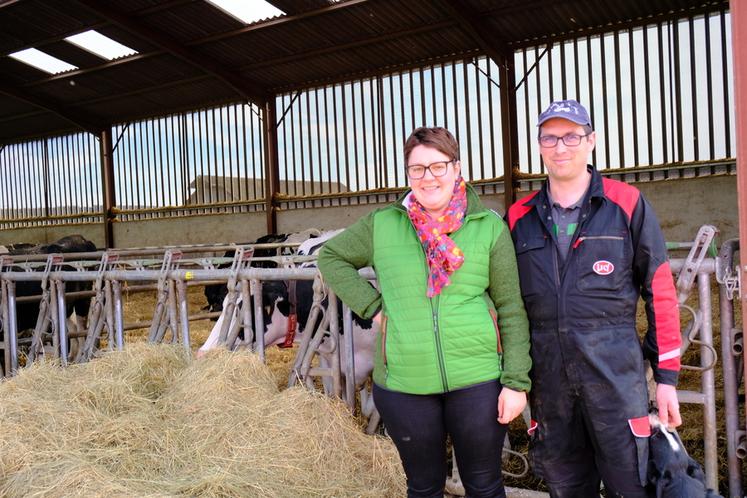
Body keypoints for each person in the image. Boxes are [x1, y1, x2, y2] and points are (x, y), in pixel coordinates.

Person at [318, 126, 532, 498]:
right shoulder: (383, 224)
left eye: (437, 166)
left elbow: (511, 307)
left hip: (478, 380)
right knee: (423, 487)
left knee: (483, 485)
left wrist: (515, 381)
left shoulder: (488, 227)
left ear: (457, 167)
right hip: (405, 384)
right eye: (417, 168)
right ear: (407, 173)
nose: (428, 177)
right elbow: (330, 257)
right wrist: (372, 306)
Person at [507, 99, 682, 497]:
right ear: (539, 145)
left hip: (615, 376)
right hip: (548, 379)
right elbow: (506, 304)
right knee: (565, 486)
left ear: (592, 141)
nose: (560, 147)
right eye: (549, 137)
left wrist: (667, 378)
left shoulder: (627, 203)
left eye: (571, 136)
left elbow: (660, 291)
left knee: (629, 484)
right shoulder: (519, 216)